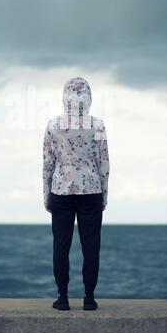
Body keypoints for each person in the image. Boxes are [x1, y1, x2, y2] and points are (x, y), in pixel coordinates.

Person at [42, 76, 110, 310]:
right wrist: (104, 195)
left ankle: (62, 297)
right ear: (89, 97)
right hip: (91, 190)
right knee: (91, 245)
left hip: (61, 190)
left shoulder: (53, 125)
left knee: (61, 245)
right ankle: (89, 298)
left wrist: (46, 196)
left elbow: (47, 164)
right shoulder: (98, 125)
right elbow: (104, 162)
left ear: (64, 96)